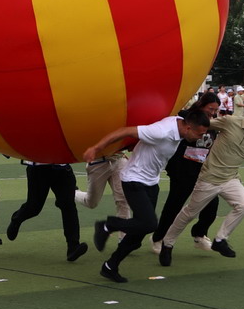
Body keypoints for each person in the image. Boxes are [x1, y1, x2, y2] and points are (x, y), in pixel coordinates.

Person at [85, 110, 210, 283]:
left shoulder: (181, 126)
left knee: (137, 236)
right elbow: (125, 130)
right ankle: (108, 225)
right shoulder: (162, 131)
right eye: (199, 134)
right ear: (188, 127)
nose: (200, 138)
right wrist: (97, 148)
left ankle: (110, 266)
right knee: (150, 223)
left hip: (151, 183)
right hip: (133, 180)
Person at [159, 100, 244, 267]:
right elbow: (203, 124)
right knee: (189, 214)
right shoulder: (229, 122)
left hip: (230, 179)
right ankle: (167, 244)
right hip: (208, 179)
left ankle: (220, 240)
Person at [151, 92, 221, 253]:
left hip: (202, 171)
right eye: (210, 108)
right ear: (202, 105)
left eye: (215, 110)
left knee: (212, 203)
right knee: (174, 205)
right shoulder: (185, 117)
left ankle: (199, 234)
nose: (212, 112)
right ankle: (158, 238)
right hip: (181, 169)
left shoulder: (212, 124)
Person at [6, 158, 89, 263]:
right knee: (34, 207)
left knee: (68, 205)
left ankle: (73, 246)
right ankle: (17, 219)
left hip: (62, 166)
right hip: (38, 167)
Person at [74, 152, 129, 220]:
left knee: (123, 200)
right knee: (91, 202)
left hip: (118, 159)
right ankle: (73, 192)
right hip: (97, 162)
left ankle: (125, 230)